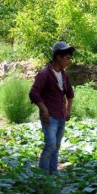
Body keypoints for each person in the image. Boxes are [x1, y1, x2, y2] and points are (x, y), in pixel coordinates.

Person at [29, 41, 75, 175]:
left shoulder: (63, 74)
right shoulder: (45, 73)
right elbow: (33, 93)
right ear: (58, 57)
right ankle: (43, 176)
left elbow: (70, 94)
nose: (69, 61)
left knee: (56, 147)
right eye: (67, 58)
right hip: (50, 117)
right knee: (50, 146)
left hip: (61, 116)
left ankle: (53, 174)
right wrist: (44, 109)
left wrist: (68, 110)